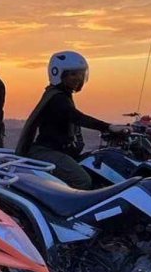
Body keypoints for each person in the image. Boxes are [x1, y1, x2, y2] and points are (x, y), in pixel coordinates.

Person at [15, 51, 125, 189]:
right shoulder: (57, 98)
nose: (78, 78)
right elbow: (76, 117)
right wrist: (108, 127)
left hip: (57, 151)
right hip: (47, 152)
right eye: (73, 74)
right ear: (58, 74)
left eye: (80, 74)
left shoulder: (61, 95)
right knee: (82, 180)